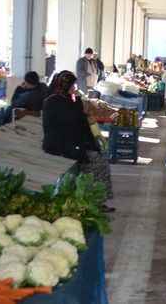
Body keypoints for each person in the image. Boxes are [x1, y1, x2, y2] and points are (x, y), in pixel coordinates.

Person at [42, 71, 114, 209]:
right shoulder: (57, 102)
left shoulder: (66, 100)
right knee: (96, 161)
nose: (74, 88)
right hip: (61, 145)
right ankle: (93, 202)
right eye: (72, 86)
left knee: (98, 157)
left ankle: (95, 201)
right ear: (66, 86)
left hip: (70, 142)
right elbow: (73, 124)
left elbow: (80, 124)